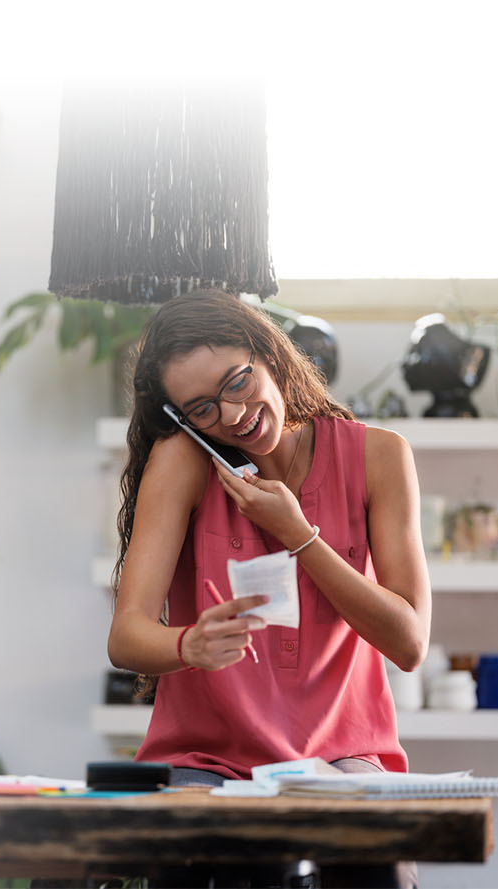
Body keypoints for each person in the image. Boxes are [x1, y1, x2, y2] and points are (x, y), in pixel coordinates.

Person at [107, 290, 430, 888]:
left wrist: (300, 536)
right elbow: (125, 637)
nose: (230, 416)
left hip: (342, 758)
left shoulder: (381, 456)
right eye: (201, 408)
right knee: (203, 863)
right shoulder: (184, 463)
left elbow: (409, 644)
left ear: (270, 355)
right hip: (205, 763)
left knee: (378, 868)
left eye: (236, 383)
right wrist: (188, 646)